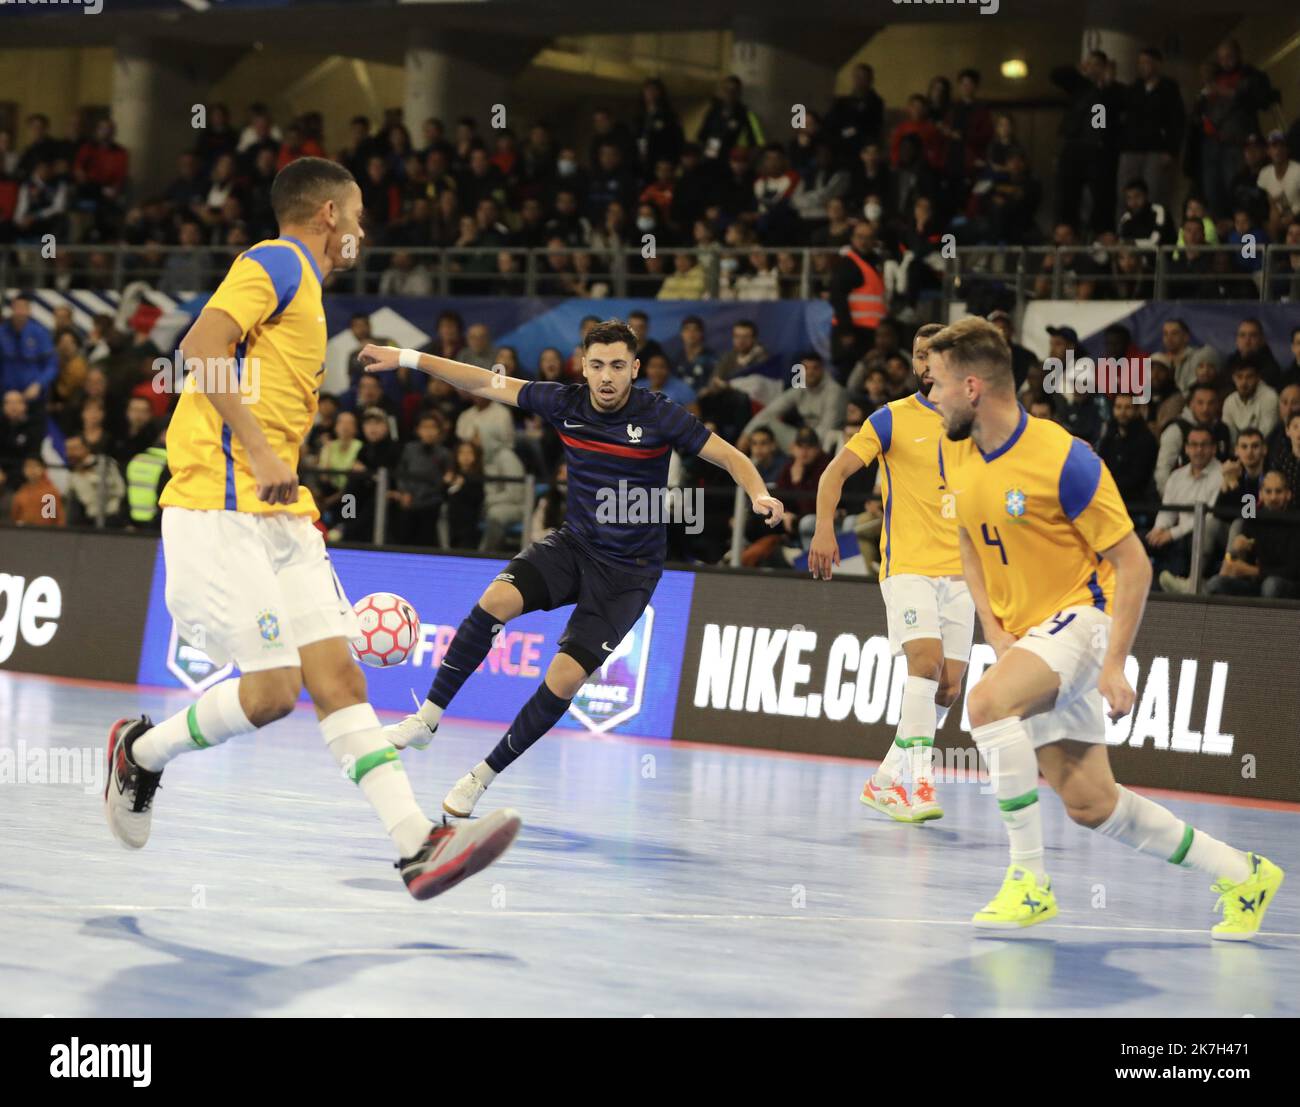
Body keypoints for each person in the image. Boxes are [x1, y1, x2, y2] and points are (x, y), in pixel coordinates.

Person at [101, 157, 520, 901]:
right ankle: (141, 751)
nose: (361, 229)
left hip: (284, 519)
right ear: (329, 214)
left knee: (337, 680)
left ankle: (417, 845)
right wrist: (259, 448)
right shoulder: (276, 261)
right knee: (271, 691)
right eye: (356, 215)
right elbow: (198, 349)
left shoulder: (311, 295)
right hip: (218, 506)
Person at [927, 315, 1283, 939]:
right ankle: (1245, 872)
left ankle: (1029, 883)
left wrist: (1114, 662)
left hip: (1084, 619)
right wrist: (993, 627)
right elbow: (966, 542)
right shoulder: (956, 452)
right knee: (1092, 805)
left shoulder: (1066, 459)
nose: (931, 399)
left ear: (974, 387)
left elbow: (1135, 564)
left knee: (985, 705)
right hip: (1031, 636)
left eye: (938, 386)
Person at [370, 319, 783, 815]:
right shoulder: (562, 402)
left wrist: (759, 492)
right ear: (582, 367)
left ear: (633, 369)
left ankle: (480, 777)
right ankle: (427, 719)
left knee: (564, 679)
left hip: (628, 574)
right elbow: (481, 380)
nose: (606, 377)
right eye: (596, 365)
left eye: (616, 366)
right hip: (574, 546)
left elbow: (730, 456)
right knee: (496, 599)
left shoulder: (660, 415)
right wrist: (408, 358)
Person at [808, 323, 974, 822]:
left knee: (948, 688)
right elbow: (834, 472)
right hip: (908, 567)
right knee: (924, 665)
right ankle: (918, 786)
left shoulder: (973, 420)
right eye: (921, 354)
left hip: (963, 575)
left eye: (937, 355)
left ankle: (884, 781)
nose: (928, 363)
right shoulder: (891, 419)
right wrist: (823, 529)